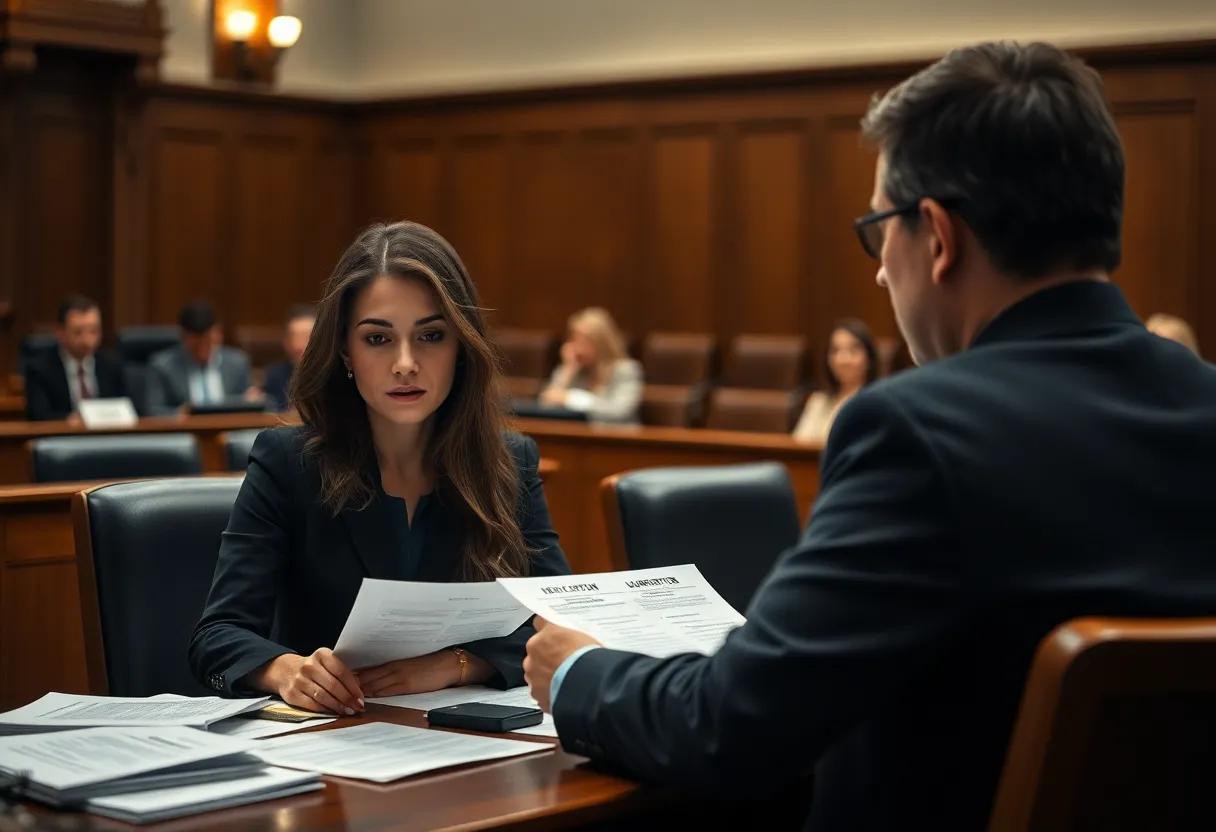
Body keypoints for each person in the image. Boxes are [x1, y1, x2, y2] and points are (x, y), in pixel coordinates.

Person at [522, 41, 1216, 832]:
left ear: (938, 236)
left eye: (880, 230)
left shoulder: (918, 432)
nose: (882, 272)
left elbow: (731, 729)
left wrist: (578, 671)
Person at [189, 221, 570, 715]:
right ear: (345, 350)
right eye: (378, 339)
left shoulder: (508, 462)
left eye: (431, 335)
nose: (406, 363)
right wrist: (286, 670)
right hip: (331, 742)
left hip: (462, 743)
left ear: (461, 347)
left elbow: (559, 623)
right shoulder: (288, 463)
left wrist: (457, 663)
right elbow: (216, 638)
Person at [24, 296, 126, 422]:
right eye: (78, 332)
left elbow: (126, 409)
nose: (87, 340)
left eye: (93, 331)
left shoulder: (112, 366)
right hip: (61, 438)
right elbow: (38, 417)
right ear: (60, 332)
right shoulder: (40, 370)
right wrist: (69, 420)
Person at [147, 301, 258, 413]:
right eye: (196, 345)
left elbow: (252, 402)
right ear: (183, 337)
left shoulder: (238, 363)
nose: (202, 351)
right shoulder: (163, 367)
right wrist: (180, 413)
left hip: (230, 428)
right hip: (185, 429)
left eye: (208, 343)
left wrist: (253, 400)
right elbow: (153, 411)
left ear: (219, 334)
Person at [538, 307, 642, 423]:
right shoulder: (575, 368)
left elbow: (619, 411)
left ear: (601, 343)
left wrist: (571, 399)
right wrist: (567, 370)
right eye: (574, 340)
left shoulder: (626, 370)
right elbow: (546, 404)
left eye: (584, 342)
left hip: (618, 437)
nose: (578, 348)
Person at [792, 318, 878, 444]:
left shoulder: (877, 404)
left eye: (853, 350)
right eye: (835, 351)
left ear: (869, 358)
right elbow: (796, 447)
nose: (843, 359)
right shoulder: (818, 401)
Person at [262, 304, 316, 412]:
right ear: (286, 343)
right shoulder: (276, 375)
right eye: (295, 337)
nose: (299, 345)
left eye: (306, 336)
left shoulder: (336, 373)